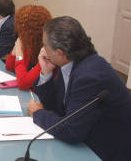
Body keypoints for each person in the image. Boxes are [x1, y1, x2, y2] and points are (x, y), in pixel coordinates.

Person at [27, 16, 131, 160]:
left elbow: (71, 131)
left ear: (60, 52)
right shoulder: (71, 63)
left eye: (45, 45)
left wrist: (38, 114)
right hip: (86, 140)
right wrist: (46, 73)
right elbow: (56, 108)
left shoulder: (89, 76)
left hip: (106, 151)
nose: (43, 50)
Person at [5, 5, 52, 90]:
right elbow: (9, 66)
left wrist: (19, 56)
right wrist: (15, 50)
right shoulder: (29, 43)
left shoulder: (47, 51)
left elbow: (23, 83)